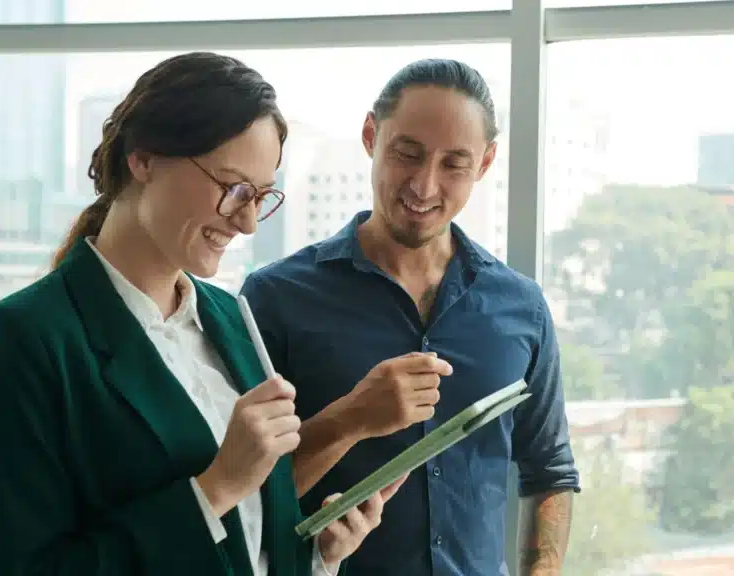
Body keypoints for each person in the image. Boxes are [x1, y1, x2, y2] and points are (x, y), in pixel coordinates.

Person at [0, 52, 402, 576]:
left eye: (260, 196)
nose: (248, 222)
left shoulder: (230, 317)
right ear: (144, 159)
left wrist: (315, 556)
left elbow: (245, 547)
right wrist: (216, 488)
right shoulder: (25, 337)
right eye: (233, 188)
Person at [241, 59, 580, 576]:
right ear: (371, 135)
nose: (424, 186)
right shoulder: (275, 298)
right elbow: (244, 492)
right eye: (408, 154)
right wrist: (351, 419)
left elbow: (550, 470)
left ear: (485, 164)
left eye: (454, 164)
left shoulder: (523, 307)